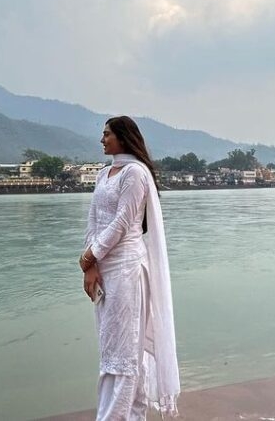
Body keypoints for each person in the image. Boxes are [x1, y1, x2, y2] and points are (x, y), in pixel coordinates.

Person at [78, 116, 180, 419]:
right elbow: (94, 219)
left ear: (123, 137)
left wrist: (90, 256)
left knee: (123, 353)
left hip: (127, 270)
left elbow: (123, 222)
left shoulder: (135, 173)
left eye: (107, 134)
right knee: (111, 349)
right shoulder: (104, 174)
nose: (102, 139)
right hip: (105, 270)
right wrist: (89, 264)